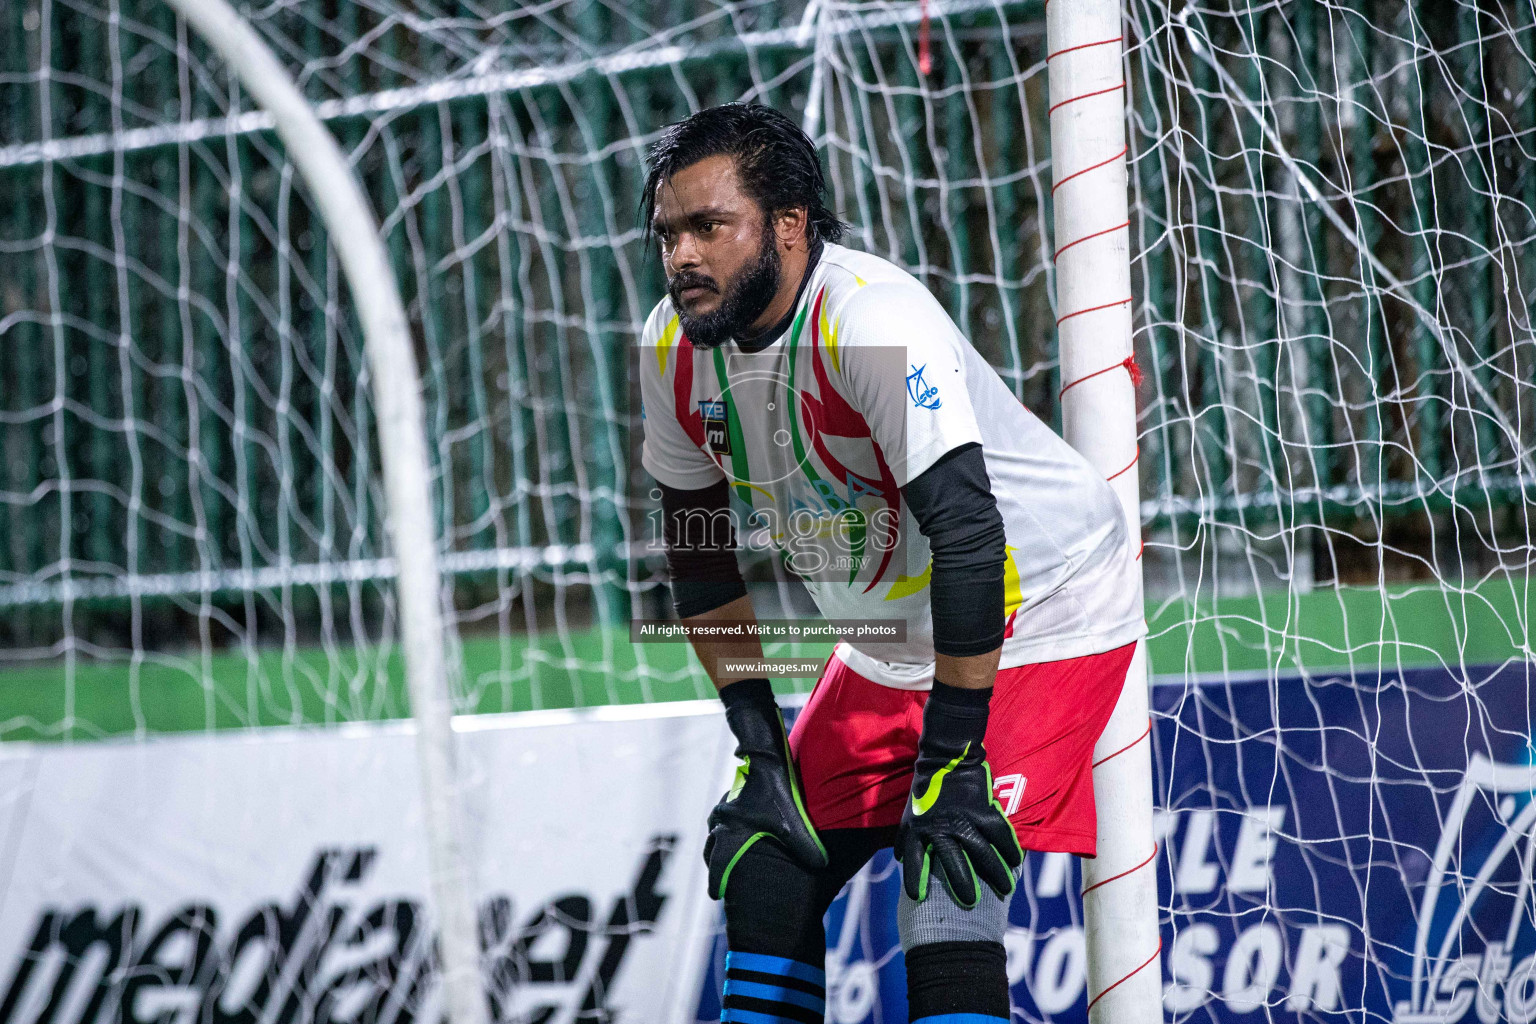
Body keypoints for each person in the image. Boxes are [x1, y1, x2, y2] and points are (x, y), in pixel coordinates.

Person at [637, 102, 1145, 1024]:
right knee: (766, 867)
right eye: (668, 233)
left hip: (1042, 604)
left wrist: (951, 756)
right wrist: (757, 747)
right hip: (891, 638)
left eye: (709, 226)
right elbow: (701, 561)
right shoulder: (672, 346)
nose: (681, 256)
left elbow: (969, 536)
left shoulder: (873, 321)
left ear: (788, 224)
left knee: (946, 881)